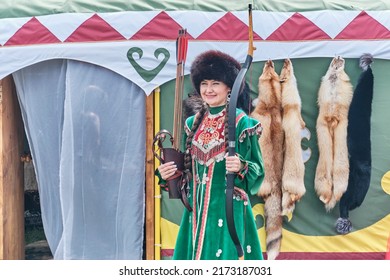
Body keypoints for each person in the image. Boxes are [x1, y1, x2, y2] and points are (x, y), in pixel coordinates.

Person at [157, 50, 265, 260]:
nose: (208, 89)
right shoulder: (192, 123)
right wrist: (166, 172)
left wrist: (241, 166)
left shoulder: (243, 123)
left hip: (228, 212)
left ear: (229, 87)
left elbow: (258, 170)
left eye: (215, 83)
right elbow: (185, 173)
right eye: (204, 83)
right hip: (195, 213)